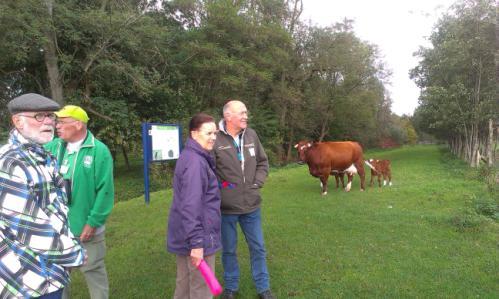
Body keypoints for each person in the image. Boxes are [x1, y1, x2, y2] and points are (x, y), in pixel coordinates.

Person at [0, 93, 86, 298]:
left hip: (51, 273)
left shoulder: (44, 156)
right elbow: (30, 228)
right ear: (17, 121)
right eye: (39, 116)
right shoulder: (9, 163)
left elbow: (57, 208)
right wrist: (75, 254)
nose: (48, 121)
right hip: (26, 280)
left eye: (50, 115)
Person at [45, 105, 114, 299]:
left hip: (86, 229)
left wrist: (93, 222)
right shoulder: (52, 147)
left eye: (61, 121)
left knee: (93, 272)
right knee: (57, 277)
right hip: (58, 229)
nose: (56, 126)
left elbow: (105, 192)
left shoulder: (99, 151)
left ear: (78, 124)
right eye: (56, 121)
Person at [213, 100, 274, 299]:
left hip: (252, 206)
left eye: (246, 112)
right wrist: (223, 189)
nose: (246, 116)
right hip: (226, 209)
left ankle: (263, 288)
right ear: (228, 116)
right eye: (242, 113)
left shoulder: (251, 135)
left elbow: (263, 163)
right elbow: (209, 172)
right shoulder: (215, 138)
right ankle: (231, 287)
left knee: (258, 247)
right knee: (229, 250)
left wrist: (257, 183)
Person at [167, 113, 221, 299]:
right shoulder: (196, 163)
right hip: (198, 237)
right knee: (201, 289)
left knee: (184, 286)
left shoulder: (192, 156)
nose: (213, 137)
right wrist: (197, 244)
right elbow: (191, 206)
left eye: (215, 133)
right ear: (194, 134)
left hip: (187, 235)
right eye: (208, 133)